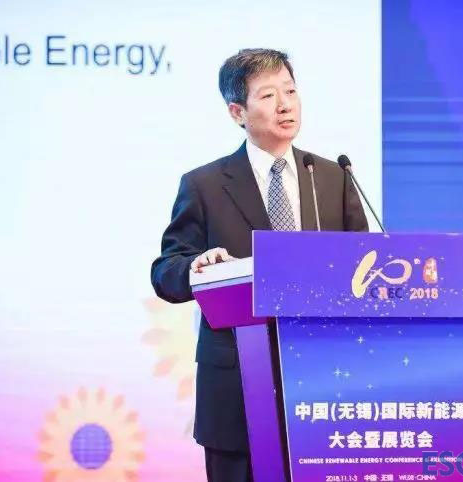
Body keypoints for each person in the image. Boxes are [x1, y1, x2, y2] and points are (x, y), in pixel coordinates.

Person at [151, 48, 368, 482]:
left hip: (326, 383)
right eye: (268, 96)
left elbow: (364, 267)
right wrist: (198, 267)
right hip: (237, 390)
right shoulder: (205, 184)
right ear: (238, 112)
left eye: (290, 91)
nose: (285, 105)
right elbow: (165, 271)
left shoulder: (332, 177)